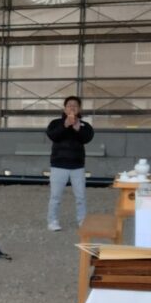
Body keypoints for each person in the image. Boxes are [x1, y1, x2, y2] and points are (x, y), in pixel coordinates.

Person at [46, 95, 94, 231]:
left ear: (79, 109)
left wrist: (78, 129)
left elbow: (87, 138)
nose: (72, 107)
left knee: (80, 196)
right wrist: (65, 125)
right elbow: (52, 135)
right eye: (69, 105)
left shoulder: (84, 125)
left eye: (75, 105)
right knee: (55, 196)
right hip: (58, 164)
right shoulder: (56, 123)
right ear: (65, 108)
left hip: (77, 165)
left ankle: (82, 220)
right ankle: (52, 221)